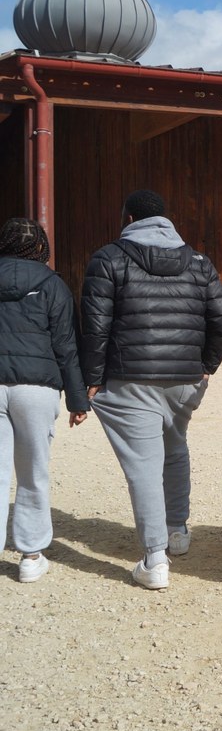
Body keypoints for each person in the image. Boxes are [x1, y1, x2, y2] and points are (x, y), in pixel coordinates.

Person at [81, 190, 222, 590]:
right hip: (185, 379)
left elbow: (96, 326)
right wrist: (206, 367)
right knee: (174, 446)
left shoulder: (108, 259)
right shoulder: (198, 262)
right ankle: (177, 530)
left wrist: (91, 378)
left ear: (129, 218)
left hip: (131, 378)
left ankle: (154, 559)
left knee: (144, 466)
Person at [0, 218, 90, 583]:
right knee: (33, 472)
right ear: (40, 247)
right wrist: (78, 400)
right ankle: (31, 555)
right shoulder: (53, 284)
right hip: (36, 388)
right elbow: (66, 345)